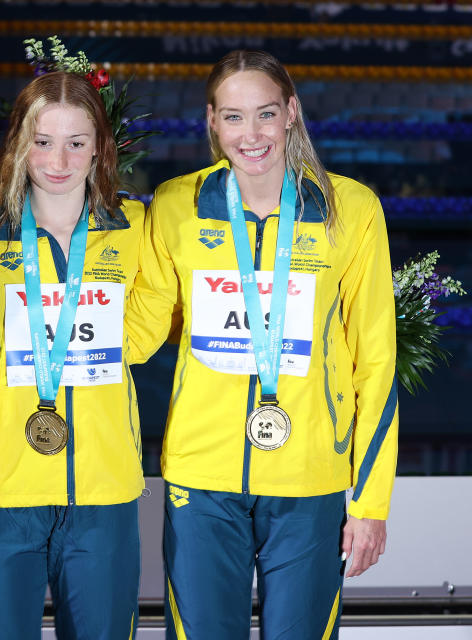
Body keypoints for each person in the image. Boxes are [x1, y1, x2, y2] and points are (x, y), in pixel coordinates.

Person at [142, 50, 398, 638]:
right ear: (211, 120)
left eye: (264, 114)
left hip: (310, 474)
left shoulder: (349, 210)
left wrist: (370, 500)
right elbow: (139, 329)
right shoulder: (177, 206)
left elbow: (376, 360)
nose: (250, 134)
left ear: (291, 114)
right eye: (233, 117)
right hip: (202, 476)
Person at [0, 71, 161, 640]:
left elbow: (141, 337)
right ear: (20, 142)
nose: (59, 160)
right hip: (4, 482)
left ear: (100, 145)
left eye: (75, 142)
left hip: (104, 485)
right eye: (42, 142)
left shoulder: (137, 230)